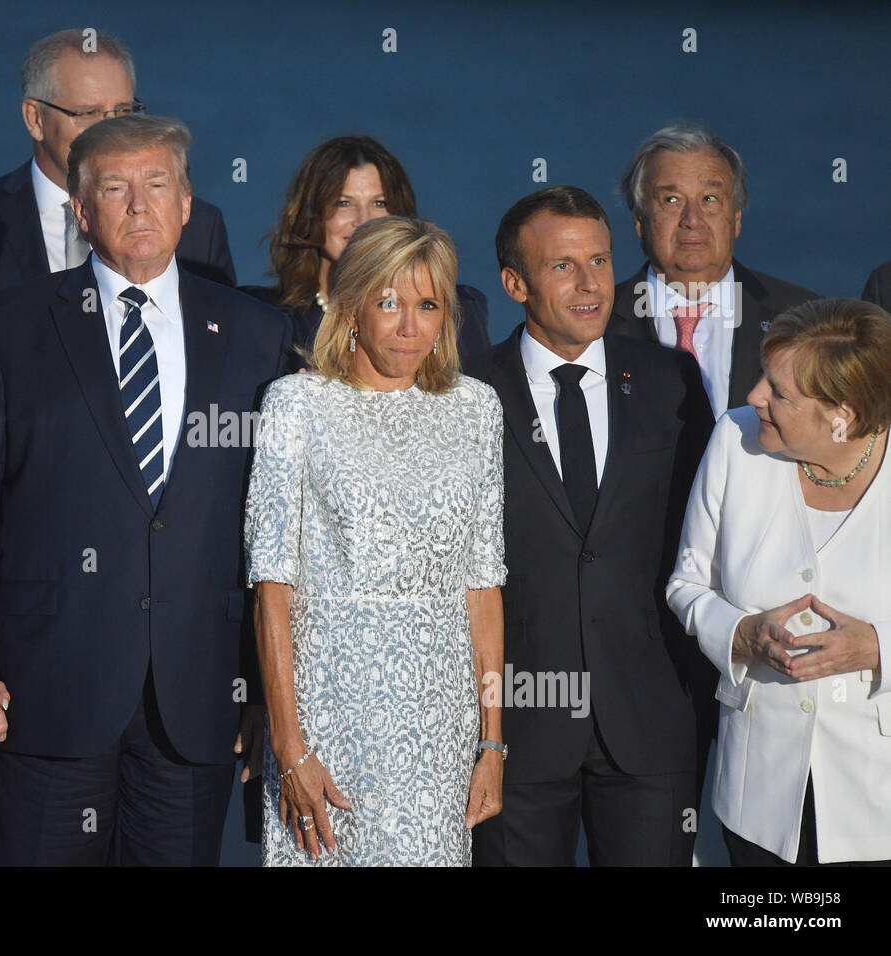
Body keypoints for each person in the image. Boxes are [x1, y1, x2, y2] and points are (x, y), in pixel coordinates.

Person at [0, 114, 289, 866]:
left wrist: (263, 692)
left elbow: (275, 526)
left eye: (157, 185)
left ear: (187, 204)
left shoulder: (257, 332)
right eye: (115, 189)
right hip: (42, 692)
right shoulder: (5, 327)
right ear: (81, 211)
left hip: (198, 696)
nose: (139, 205)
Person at [245, 215, 506, 866]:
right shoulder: (295, 405)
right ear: (351, 306)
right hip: (326, 732)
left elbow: (483, 587)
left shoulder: (477, 409)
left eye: (427, 305)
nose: (410, 325)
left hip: (438, 735)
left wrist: (492, 745)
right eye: (389, 303)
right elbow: (272, 586)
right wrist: (288, 744)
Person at [465, 186, 714, 866]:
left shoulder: (671, 381)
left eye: (601, 261)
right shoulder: (466, 393)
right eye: (563, 266)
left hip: (650, 718)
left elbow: (706, 537)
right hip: (512, 729)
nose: (590, 285)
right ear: (515, 283)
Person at [667, 297, 891, 866]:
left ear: (843, 414)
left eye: (779, 392)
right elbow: (686, 584)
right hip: (757, 801)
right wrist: (742, 635)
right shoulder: (734, 442)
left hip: (878, 801)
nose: (753, 398)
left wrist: (877, 648)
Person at [0, 27, 236, 338]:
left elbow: (220, 351)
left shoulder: (198, 227)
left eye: (123, 111)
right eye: (88, 113)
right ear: (35, 118)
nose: (112, 131)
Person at [609, 124, 817, 417]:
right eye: (671, 200)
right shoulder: (594, 327)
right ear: (640, 222)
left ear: (736, 218)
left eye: (709, 199)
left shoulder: (808, 322)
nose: (692, 219)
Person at [243, 136, 489, 372]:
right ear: (311, 214)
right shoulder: (264, 316)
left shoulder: (458, 309)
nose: (363, 221)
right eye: (343, 203)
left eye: (379, 203)